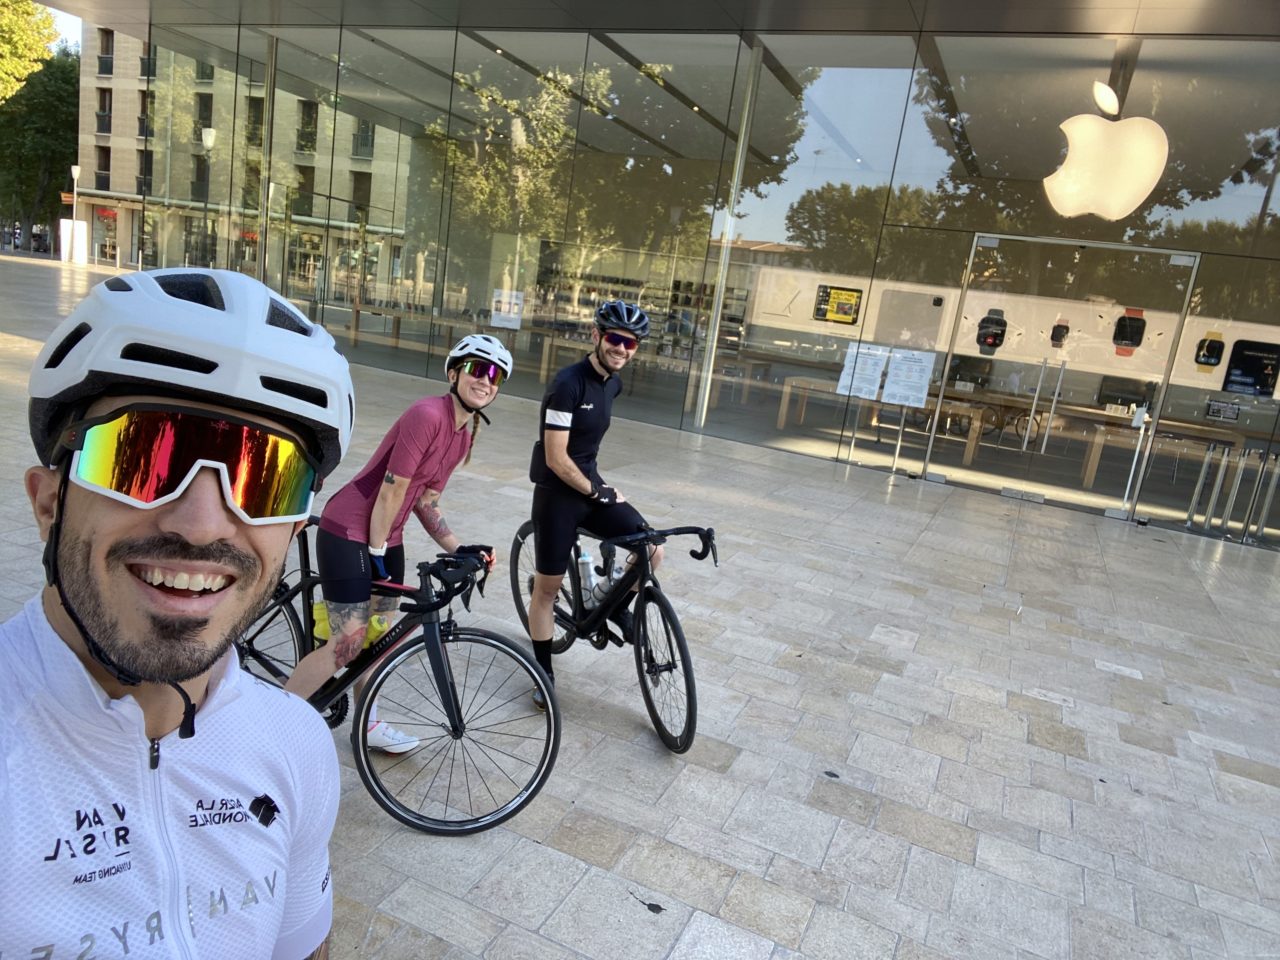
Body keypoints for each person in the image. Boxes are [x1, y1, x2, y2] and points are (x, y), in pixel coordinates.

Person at [1, 269, 354, 956]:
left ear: (294, 528)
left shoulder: (295, 745)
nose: (200, 527)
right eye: (142, 455)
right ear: (49, 502)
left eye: (264, 476)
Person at [283, 334, 510, 752]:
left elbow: (426, 501)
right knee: (347, 642)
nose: (486, 381)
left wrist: (459, 548)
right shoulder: (427, 415)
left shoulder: (463, 435)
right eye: (478, 370)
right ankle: (272, 723)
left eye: (495, 375)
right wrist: (375, 552)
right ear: (455, 372)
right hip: (351, 527)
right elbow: (391, 490)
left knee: (379, 636)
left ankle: (366, 725)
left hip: (387, 534)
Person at [526, 300, 663, 708]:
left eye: (631, 343)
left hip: (590, 486)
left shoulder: (613, 384)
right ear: (596, 336)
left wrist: (601, 487)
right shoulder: (567, 384)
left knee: (651, 550)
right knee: (546, 591)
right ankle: (543, 671)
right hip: (557, 496)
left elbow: (586, 450)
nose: (622, 348)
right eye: (615, 339)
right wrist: (597, 491)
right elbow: (555, 457)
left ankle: (612, 604)